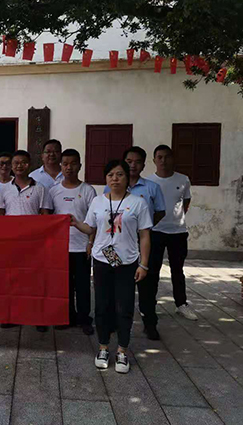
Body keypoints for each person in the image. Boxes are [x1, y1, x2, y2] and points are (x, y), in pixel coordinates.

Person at [71, 160, 152, 374]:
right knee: (102, 306)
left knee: (124, 307)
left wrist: (144, 264)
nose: (115, 179)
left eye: (119, 174)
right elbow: (90, 228)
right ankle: (103, 347)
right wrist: (75, 223)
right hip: (102, 260)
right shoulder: (97, 201)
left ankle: (123, 351)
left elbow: (145, 235)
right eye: (110, 175)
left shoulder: (138, 203)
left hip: (127, 262)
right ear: (105, 178)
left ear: (127, 178)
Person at [104, 146, 166, 340]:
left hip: (144, 241)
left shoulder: (152, 188)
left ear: (143, 165)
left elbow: (160, 211)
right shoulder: (110, 187)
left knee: (148, 283)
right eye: (129, 161)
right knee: (115, 281)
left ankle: (150, 323)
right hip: (116, 243)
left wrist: (142, 228)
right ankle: (113, 321)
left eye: (137, 162)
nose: (133, 165)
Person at [43, 149, 96, 335]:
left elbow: (94, 221)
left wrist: (90, 242)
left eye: (73, 163)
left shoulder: (88, 190)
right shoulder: (53, 191)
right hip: (60, 247)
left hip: (81, 247)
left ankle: (84, 318)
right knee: (63, 285)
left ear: (79, 166)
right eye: (65, 164)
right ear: (61, 166)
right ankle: (66, 316)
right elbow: (48, 220)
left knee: (82, 285)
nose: (69, 167)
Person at [0, 150, 51, 332]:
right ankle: (13, 315)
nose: (19, 166)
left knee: (35, 281)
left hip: (33, 245)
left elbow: (45, 216)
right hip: (11, 244)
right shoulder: (5, 189)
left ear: (30, 165)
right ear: (11, 166)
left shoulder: (40, 188)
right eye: (16, 163)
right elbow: (0, 215)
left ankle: (38, 317)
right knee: (13, 280)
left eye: (23, 162)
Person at [146, 145, 197, 322]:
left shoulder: (183, 180)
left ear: (173, 159)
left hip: (178, 232)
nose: (163, 160)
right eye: (159, 157)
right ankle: (149, 305)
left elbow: (186, 202)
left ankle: (181, 304)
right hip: (155, 231)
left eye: (167, 156)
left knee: (178, 270)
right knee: (152, 271)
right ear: (154, 160)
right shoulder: (149, 182)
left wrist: (176, 218)